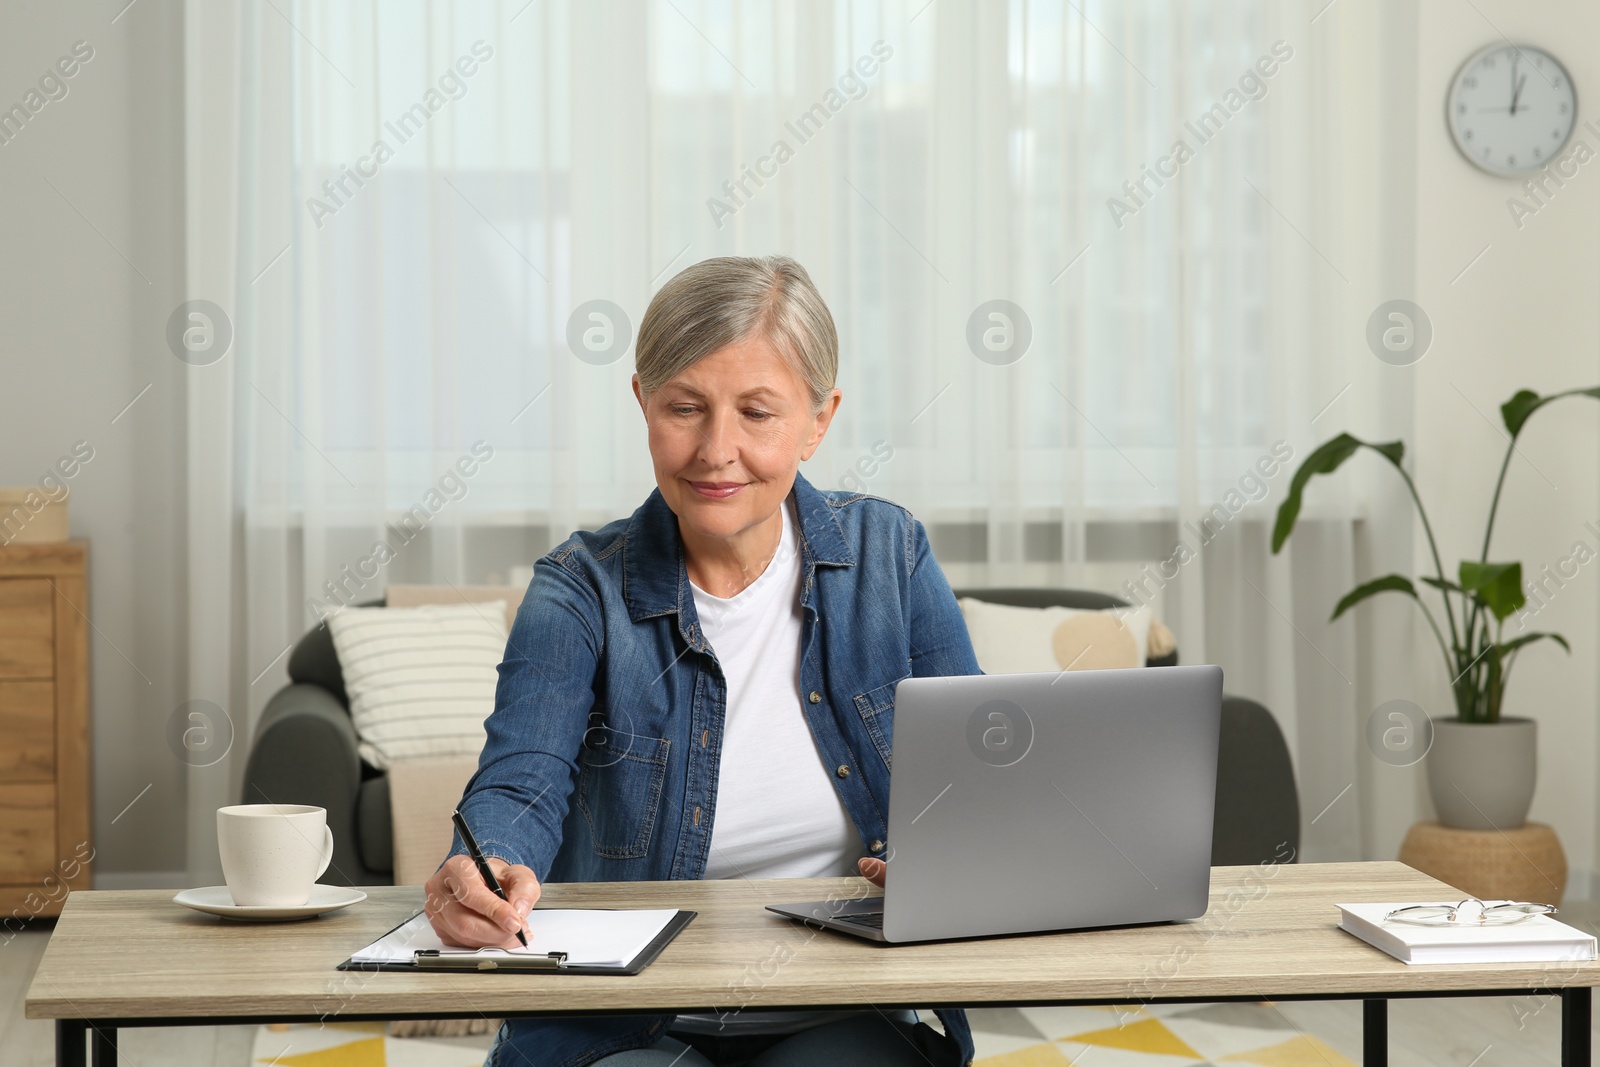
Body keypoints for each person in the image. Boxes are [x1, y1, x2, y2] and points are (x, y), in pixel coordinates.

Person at [425, 255, 980, 1067]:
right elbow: (520, 781)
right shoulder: (577, 587)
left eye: (758, 412)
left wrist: (943, 862)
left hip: (834, 1007)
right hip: (625, 1016)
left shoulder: (890, 555)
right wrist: (484, 866)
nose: (717, 450)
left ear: (819, 420)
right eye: (685, 407)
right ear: (643, 400)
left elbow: (973, 780)